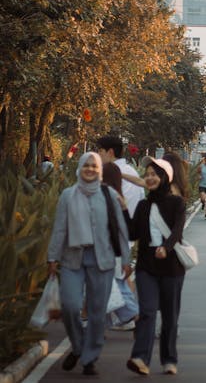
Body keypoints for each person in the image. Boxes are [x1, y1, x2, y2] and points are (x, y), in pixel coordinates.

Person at [47, 152, 131, 376]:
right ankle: (78, 346)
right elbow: (60, 228)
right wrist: (52, 257)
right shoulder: (68, 195)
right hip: (72, 258)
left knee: (97, 312)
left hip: (101, 259)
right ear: (80, 167)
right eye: (87, 165)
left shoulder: (108, 194)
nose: (91, 169)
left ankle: (90, 357)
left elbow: (120, 228)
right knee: (71, 306)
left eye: (95, 166)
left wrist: (126, 258)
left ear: (100, 170)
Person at [124, 158, 186, 377]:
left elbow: (178, 231)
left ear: (165, 178)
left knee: (170, 316)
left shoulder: (176, 203)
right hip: (146, 267)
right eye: (147, 174)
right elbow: (132, 233)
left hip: (172, 267)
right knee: (148, 312)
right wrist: (123, 210)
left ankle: (169, 359)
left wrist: (166, 248)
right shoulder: (143, 205)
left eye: (155, 174)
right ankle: (140, 357)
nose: (150, 178)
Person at [102, 162, 139, 331]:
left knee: (117, 288)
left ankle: (136, 317)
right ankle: (101, 326)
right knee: (118, 287)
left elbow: (121, 230)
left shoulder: (108, 196)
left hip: (109, 251)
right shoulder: (118, 196)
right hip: (116, 251)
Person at [97, 135, 144, 218]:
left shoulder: (109, 173)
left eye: (100, 151)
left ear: (110, 152)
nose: (98, 155)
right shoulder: (132, 172)